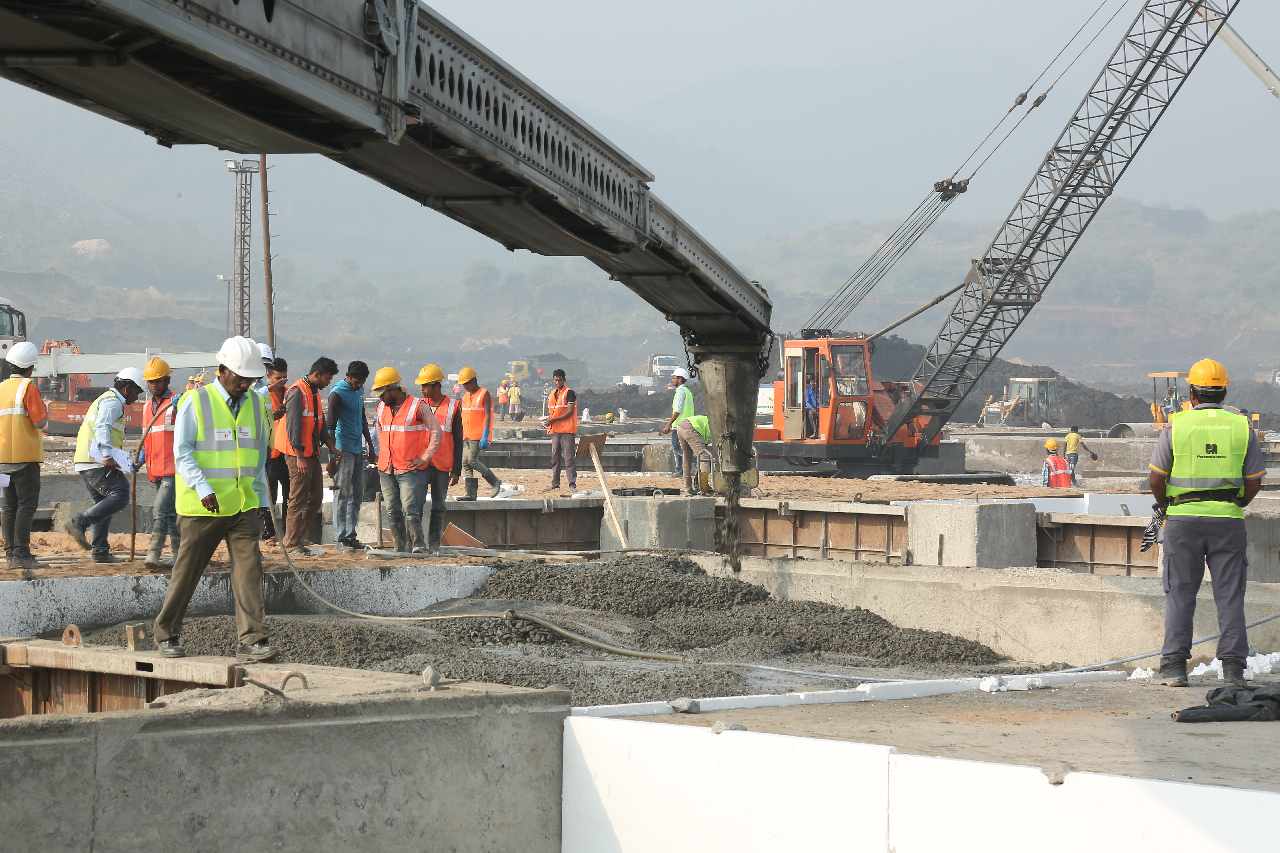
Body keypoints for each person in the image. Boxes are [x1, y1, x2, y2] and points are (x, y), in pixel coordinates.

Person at [153, 336, 275, 662]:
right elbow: (183, 453)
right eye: (240, 377)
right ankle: (167, 634)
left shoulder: (256, 404)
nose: (245, 384)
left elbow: (257, 456)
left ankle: (253, 640)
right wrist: (204, 490)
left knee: (249, 570)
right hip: (202, 506)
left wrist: (263, 504)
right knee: (188, 571)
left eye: (250, 379)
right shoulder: (197, 402)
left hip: (242, 505)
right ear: (222, 370)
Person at [1149, 358, 1264, 689]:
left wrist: (1166, 505)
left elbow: (1156, 477)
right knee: (1229, 595)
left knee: (1180, 592)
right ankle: (1232, 671)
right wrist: (1237, 502)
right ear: (1224, 391)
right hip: (1227, 521)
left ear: (1192, 393)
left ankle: (1173, 668)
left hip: (1183, 520)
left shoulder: (1176, 425)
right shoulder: (1242, 427)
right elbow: (1254, 479)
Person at [65, 366, 145, 563]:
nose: (137, 396)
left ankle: (100, 550)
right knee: (120, 493)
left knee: (103, 504)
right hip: (96, 461)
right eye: (137, 391)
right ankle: (79, 522)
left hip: (87, 460)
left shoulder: (104, 399)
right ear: (127, 388)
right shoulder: (112, 403)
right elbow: (102, 427)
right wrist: (107, 454)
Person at [370, 367, 441, 552]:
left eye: (382, 393)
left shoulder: (417, 406)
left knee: (410, 510)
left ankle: (418, 545)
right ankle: (400, 547)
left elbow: (436, 431)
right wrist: (380, 453)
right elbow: (379, 430)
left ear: (393, 389)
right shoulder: (380, 408)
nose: (380, 397)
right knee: (392, 510)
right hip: (386, 468)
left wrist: (425, 456)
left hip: (409, 469)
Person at [277, 356, 338, 553]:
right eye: (327, 378)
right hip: (298, 455)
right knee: (298, 498)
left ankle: (300, 537)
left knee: (316, 497)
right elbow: (293, 426)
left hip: (310, 452)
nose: (328, 382)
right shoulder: (297, 392)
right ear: (317, 374)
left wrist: (331, 445)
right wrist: (300, 456)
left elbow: (318, 424)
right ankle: (292, 542)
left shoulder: (313, 393)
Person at [0, 342, 47, 571]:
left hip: (1, 462)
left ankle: (10, 554)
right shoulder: (28, 388)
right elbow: (40, 422)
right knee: (26, 505)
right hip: (24, 459)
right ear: (30, 368)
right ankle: (21, 553)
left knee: (8, 506)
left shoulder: (0, 388)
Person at [326, 360, 373, 551]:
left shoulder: (359, 392)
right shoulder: (337, 394)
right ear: (349, 376)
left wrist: (370, 444)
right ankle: (340, 536)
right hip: (341, 448)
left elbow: (362, 418)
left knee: (357, 493)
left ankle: (351, 533)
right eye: (355, 382)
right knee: (342, 493)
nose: (358, 385)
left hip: (356, 448)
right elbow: (330, 426)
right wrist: (332, 458)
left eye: (361, 383)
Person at [140, 357, 181, 569]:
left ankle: (153, 553)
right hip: (155, 468)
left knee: (160, 509)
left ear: (167, 380)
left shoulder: (176, 403)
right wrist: (140, 458)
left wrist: (181, 404)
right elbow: (148, 436)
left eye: (158, 381)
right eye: (151, 381)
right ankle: (178, 554)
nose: (154, 385)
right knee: (171, 513)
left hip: (173, 468)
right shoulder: (147, 407)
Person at [418, 363, 463, 553]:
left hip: (443, 466)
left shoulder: (453, 406)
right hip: (421, 464)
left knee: (438, 506)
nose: (422, 389)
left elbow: (459, 440)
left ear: (436, 385)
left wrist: (457, 469)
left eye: (425, 385)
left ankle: (434, 544)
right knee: (415, 506)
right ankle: (418, 544)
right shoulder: (418, 405)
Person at [457, 366, 503, 501]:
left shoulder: (484, 394)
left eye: (466, 383)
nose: (465, 386)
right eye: (463, 384)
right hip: (466, 435)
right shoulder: (465, 397)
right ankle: (470, 494)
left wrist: (485, 435)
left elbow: (488, 415)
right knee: (465, 463)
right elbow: (463, 415)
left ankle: (494, 481)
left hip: (478, 435)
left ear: (474, 381)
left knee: (471, 460)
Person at [262, 357, 289, 541]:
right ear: (269, 376)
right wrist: (274, 415)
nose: (281, 382)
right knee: (269, 495)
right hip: (270, 453)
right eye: (278, 378)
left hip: (286, 452)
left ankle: (287, 532)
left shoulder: (289, 393)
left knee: (289, 495)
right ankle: (269, 531)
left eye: (284, 378)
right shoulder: (261, 396)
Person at [544, 368, 578, 493]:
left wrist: (553, 420)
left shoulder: (569, 393)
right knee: (555, 458)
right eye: (555, 380)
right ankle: (555, 484)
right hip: (555, 431)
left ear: (564, 379)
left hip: (567, 431)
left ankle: (572, 484)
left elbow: (569, 412)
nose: (557, 382)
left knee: (569, 458)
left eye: (559, 380)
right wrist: (548, 420)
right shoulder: (552, 394)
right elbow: (553, 412)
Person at [662, 368, 694, 475]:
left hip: (680, 426)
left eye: (674, 378)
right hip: (688, 424)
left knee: (678, 449)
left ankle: (688, 467)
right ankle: (682, 470)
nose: (672, 380)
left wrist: (668, 424)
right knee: (683, 448)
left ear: (680, 379)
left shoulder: (680, 391)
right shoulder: (687, 391)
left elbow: (677, 410)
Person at [676, 413, 713, 496]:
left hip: (681, 426)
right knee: (704, 457)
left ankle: (688, 488)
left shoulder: (714, 422)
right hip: (692, 428)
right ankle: (704, 488)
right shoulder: (720, 429)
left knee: (687, 457)